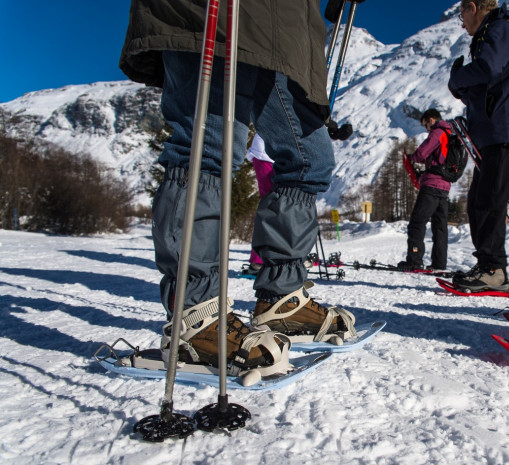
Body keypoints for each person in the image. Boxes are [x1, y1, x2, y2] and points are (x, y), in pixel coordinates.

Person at [119, 0, 356, 374]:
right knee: (208, 146)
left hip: (285, 31)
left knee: (310, 159)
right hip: (217, 13)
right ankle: (196, 315)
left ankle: (282, 300)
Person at [448, 0, 509, 293]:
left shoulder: (501, 27)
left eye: (462, 13)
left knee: (489, 202)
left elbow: (489, 67)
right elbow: (488, 80)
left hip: (504, 130)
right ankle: (488, 264)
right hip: (493, 132)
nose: (461, 21)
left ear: (473, 7)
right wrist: (462, 87)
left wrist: (459, 77)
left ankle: (494, 269)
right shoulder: (493, 32)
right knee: (478, 203)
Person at [397, 109, 452, 271]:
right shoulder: (450, 134)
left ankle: (414, 260)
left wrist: (411, 159)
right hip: (445, 186)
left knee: (417, 223)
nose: (426, 129)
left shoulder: (438, 133)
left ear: (432, 119)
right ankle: (439, 263)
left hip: (432, 185)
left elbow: (421, 154)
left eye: (426, 124)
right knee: (439, 227)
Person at [242, 133, 275, 277]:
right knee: (270, 207)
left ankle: (269, 259)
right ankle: (258, 261)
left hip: (274, 153)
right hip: (266, 154)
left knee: (277, 208)